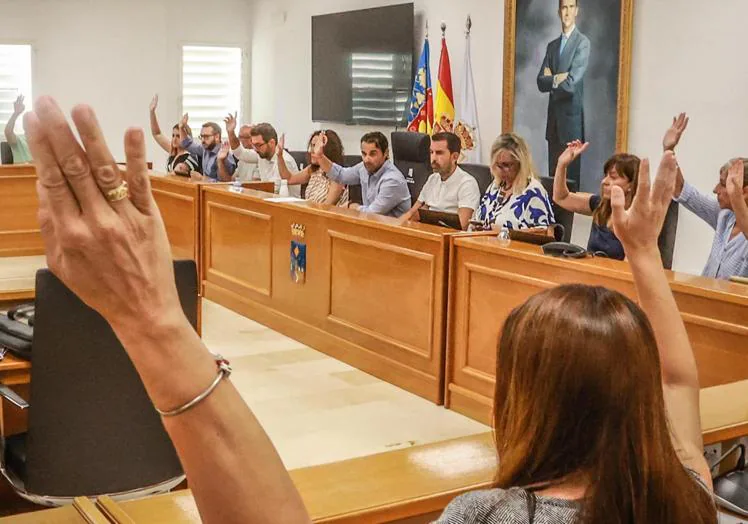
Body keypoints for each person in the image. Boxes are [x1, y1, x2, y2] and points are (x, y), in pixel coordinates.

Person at [25, 96, 716, 524]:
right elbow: (681, 383)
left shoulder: (492, 514)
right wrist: (645, 259)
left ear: (524, 397)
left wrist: (151, 321)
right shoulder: (686, 499)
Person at [667, 113, 748, 279]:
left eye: (723, 184)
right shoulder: (724, 216)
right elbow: (682, 190)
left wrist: (737, 197)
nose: (715, 189)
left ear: (745, 191)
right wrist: (669, 150)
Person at [553, 141, 639, 259]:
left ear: (631, 184)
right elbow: (561, 198)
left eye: (613, 177)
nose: (604, 181)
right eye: (606, 176)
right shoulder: (599, 204)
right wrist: (561, 165)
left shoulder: (636, 220)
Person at [537, 0, 591, 184]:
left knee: (570, 185)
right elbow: (540, 82)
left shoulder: (582, 43)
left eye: (570, 7)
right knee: (554, 182)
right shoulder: (552, 47)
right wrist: (558, 78)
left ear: (577, 11)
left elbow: (571, 85)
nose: (567, 12)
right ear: (558, 12)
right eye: (563, 8)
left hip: (571, 127)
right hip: (553, 126)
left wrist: (552, 79)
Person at [313, 131, 411, 218]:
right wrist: (320, 156)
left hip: (392, 233)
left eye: (372, 154)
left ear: (385, 153)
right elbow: (341, 175)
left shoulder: (392, 180)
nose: (367, 159)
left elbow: (373, 213)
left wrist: (352, 207)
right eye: (364, 154)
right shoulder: (364, 168)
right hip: (371, 227)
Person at [473, 133, 555, 230]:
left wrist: (502, 231)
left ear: (520, 163)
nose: (501, 170)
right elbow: (479, 218)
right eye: (498, 165)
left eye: (507, 165)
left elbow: (543, 235)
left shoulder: (534, 192)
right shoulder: (495, 187)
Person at [399, 132, 481, 230]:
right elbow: (413, 213)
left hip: (449, 239)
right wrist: (395, 226)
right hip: (428, 233)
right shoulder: (432, 179)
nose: (433, 158)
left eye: (439, 153)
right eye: (431, 152)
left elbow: (462, 225)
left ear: (455, 157)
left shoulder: (467, 184)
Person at [225, 116, 301, 197]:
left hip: (286, 205)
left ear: (271, 143)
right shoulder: (262, 154)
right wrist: (231, 132)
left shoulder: (284, 160)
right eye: (253, 145)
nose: (255, 149)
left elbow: (275, 192)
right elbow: (240, 153)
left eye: (258, 145)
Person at [276, 130, 349, 206]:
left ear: (328, 149)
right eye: (312, 146)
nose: (311, 151)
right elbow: (289, 179)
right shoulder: (313, 169)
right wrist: (279, 156)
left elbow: (327, 206)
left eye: (315, 146)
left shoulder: (338, 175)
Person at [148, 94, 200, 176]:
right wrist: (152, 112)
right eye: (173, 135)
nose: (174, 139)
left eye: (178, 136)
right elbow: (157, 134)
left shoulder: (190, 155)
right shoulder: (173, 151)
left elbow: (178, 171)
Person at [179, 114, 236, 181]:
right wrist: (181, 127)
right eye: (201, 137)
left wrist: (201, 178)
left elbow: (225, 183)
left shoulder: (225, 155)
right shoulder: (205, 149)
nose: (203, 140)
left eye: (206, 137)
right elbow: (186, 144)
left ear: (217, 137)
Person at [3, 94, 33, 164]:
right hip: (23, 173)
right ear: (24, 126)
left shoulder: (44, 143)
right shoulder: (20, 140)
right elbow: (8, 132)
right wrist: (16, 113)